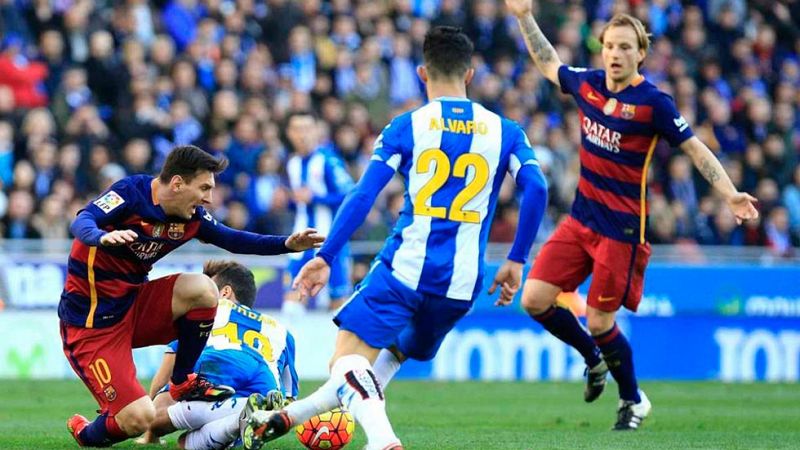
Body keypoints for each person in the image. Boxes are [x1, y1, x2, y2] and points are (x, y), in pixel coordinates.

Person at [238, 26, 548, 450]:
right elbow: (539, 189)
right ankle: (286, 418)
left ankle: (383, 441)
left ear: (423, 73)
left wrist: (327, 255)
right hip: (460, 282)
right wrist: (516, 259)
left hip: (405, 268)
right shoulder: (506, 131)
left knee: (344, 361)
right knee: (382, 361)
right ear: (470, 75)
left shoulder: (407, 127)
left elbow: (364, 194)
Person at [504, 0, 759, 430]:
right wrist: (525, 17)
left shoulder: (654, 103)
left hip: (620, 232)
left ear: (641, 53)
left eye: (625, 46)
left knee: (602, 319)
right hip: (581, 220)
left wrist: (730, 194)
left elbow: (695, 149)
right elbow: (549, 63)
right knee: (534, 299)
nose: (616, 53)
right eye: (610, 46)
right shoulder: (587, 86)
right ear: (601, 50)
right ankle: (592, 358)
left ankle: (632, 399)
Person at [61, 145, 322, 447]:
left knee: (202, 289)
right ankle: (86, 433)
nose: (209, 198)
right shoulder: (130, 193)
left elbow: (233, 239)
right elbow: (82, 220)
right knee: (138, 419)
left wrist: (286, 244)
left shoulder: (192, 217)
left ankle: (183, 380)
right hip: (91, 324)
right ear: (177, 183)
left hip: (134, 305)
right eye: (204, 188)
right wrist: (101, 237)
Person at [136, 259, 298, 450]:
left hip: (223, 362)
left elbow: (166, 373)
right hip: (265, 383)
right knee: (185, 444)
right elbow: (289, 396)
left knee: (152, 417)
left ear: (225, 292)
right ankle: (239, 419)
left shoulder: (206, 310)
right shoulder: (282, 331)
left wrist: (150, 434)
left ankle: (241, 410)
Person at [284, 111, 355, 311]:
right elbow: (298, 203)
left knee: (337, 306)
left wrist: (315, 198)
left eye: (307, 128)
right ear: (289, 133)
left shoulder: (328, 160)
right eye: (297, 129)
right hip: (299, 240)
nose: (302, 134)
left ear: (316, 131)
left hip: (329, 241)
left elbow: (351, 194)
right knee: (292, 304)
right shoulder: (292, 163)